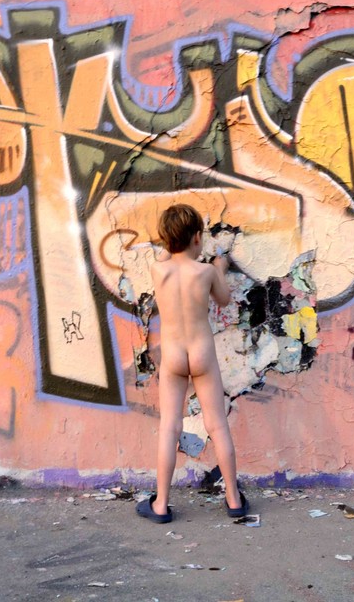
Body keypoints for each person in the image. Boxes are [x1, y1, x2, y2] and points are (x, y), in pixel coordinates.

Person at [136, 204, 248, 524]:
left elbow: (163, 254)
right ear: (198, 237)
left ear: (166, 239)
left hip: (173, 356)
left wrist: (173, 243)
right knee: (217, 425)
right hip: (201, 354)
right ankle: (233, 498)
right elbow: (224, 299)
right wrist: (220, 267)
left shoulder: (160, 271)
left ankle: (160, 505)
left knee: (170, 426)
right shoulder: (207, 272)